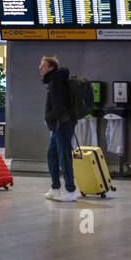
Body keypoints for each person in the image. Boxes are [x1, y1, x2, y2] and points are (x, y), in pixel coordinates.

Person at [40, 56, 78, 202]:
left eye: (43, 65)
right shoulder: (54, 80)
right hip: (59, 125)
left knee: (64, 157)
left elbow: (59, 109)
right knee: (52, 155)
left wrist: (48, 118)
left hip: (62, 124)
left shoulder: (56, 82)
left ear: (51, 68)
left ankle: (71, 190)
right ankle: (55, 187)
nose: (40, 68)